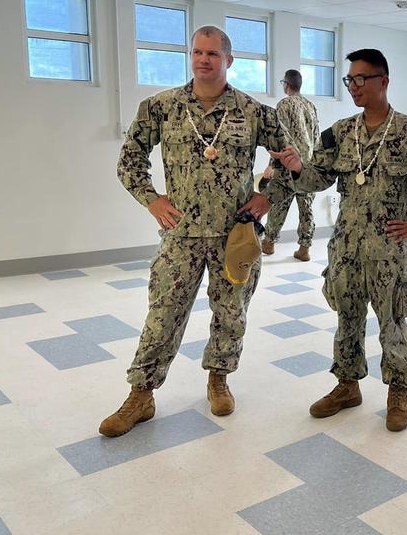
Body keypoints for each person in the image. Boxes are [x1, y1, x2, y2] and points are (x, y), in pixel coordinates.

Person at [100, 25, 296, 437]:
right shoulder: (161, 107)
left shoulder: (254, 112)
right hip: (181, 235)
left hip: (235, 236)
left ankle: (219, 378)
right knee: (162, 315)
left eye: (212, 53)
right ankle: (141, 394)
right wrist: (151, 199)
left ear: (229, 59)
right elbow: (129, 160)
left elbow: (289, 161)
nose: (203, 59)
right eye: (196, 52)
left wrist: (267, 195)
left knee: (231, 314)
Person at [271, 49, 407, 432]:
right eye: (349, 80)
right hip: (345, 247)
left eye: (361, 79)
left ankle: (397, 390)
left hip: (388, 249)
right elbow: (317, 179)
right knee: (347, 317)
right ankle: (347, 385)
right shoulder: (340, 133)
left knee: (392, 321)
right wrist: (295, 167)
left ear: (383, 81)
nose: (354, 87)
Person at [260, 69, 320, 262]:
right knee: (307, 208)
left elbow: (279, 138)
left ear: (286, 84)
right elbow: (316, 137)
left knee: (278, 205)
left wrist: (272, 165)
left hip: (287, 166)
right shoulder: (310, 106)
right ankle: (304, 248)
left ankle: (269, 243)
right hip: (307, 167)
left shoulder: (283, 105)